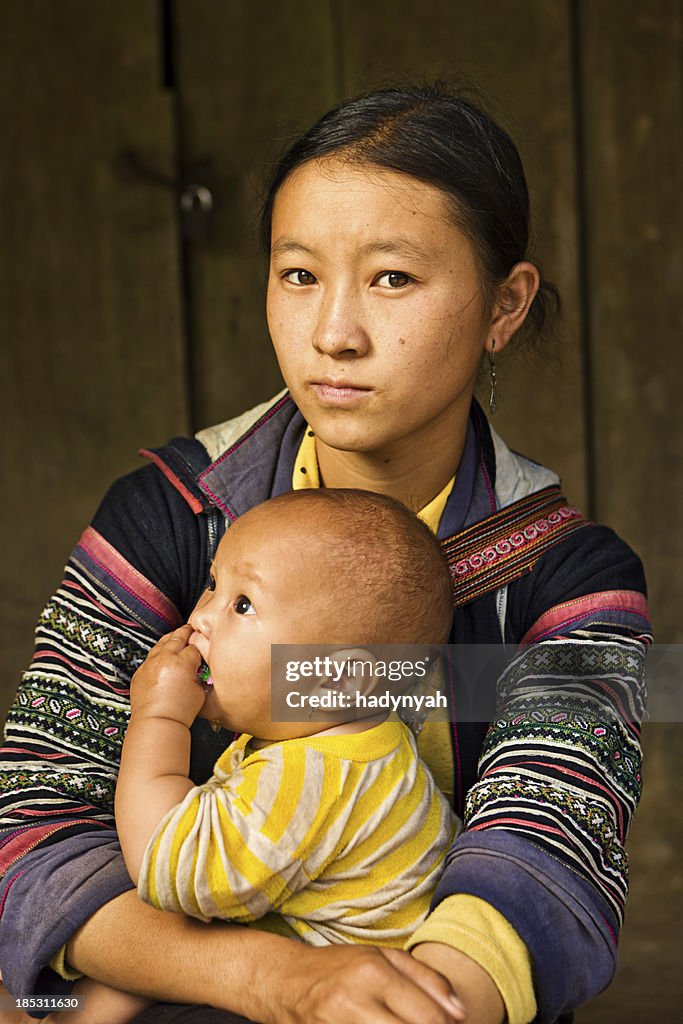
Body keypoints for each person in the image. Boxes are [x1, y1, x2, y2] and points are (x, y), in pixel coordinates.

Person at [0, 83, 650, 1024]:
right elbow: (38, 826)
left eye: (392, 278)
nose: (333, 335)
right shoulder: (170, 515)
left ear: (504, 307)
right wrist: (282, 981)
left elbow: (552, 856)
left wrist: (389, 1005)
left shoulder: (573, 582)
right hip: (178, 987)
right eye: (298, 274)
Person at [72, 489, 459, 1024]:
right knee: (117, 982)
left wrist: (156, 719)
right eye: (212, 584)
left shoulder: (310, 778)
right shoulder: (362, 739)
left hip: (344, 1000)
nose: (201, 617)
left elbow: (164, 864)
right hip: (302, 954)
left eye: (243, 604)